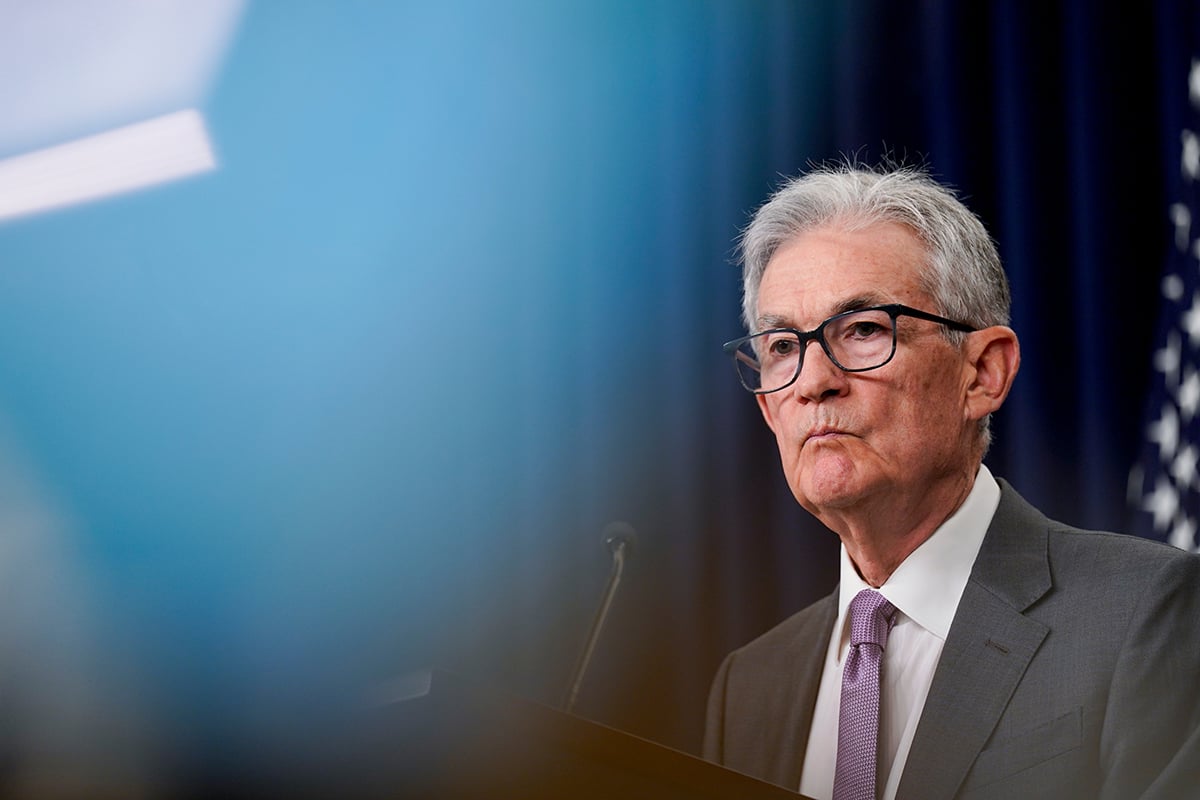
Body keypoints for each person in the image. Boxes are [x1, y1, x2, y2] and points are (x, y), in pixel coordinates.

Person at [703, 164, 1200, 800]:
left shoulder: (1142, 615)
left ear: (983, 374)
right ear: (769, 409)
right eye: (781, 346)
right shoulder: (747, 689)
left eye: (862, 331)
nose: (811, 380)